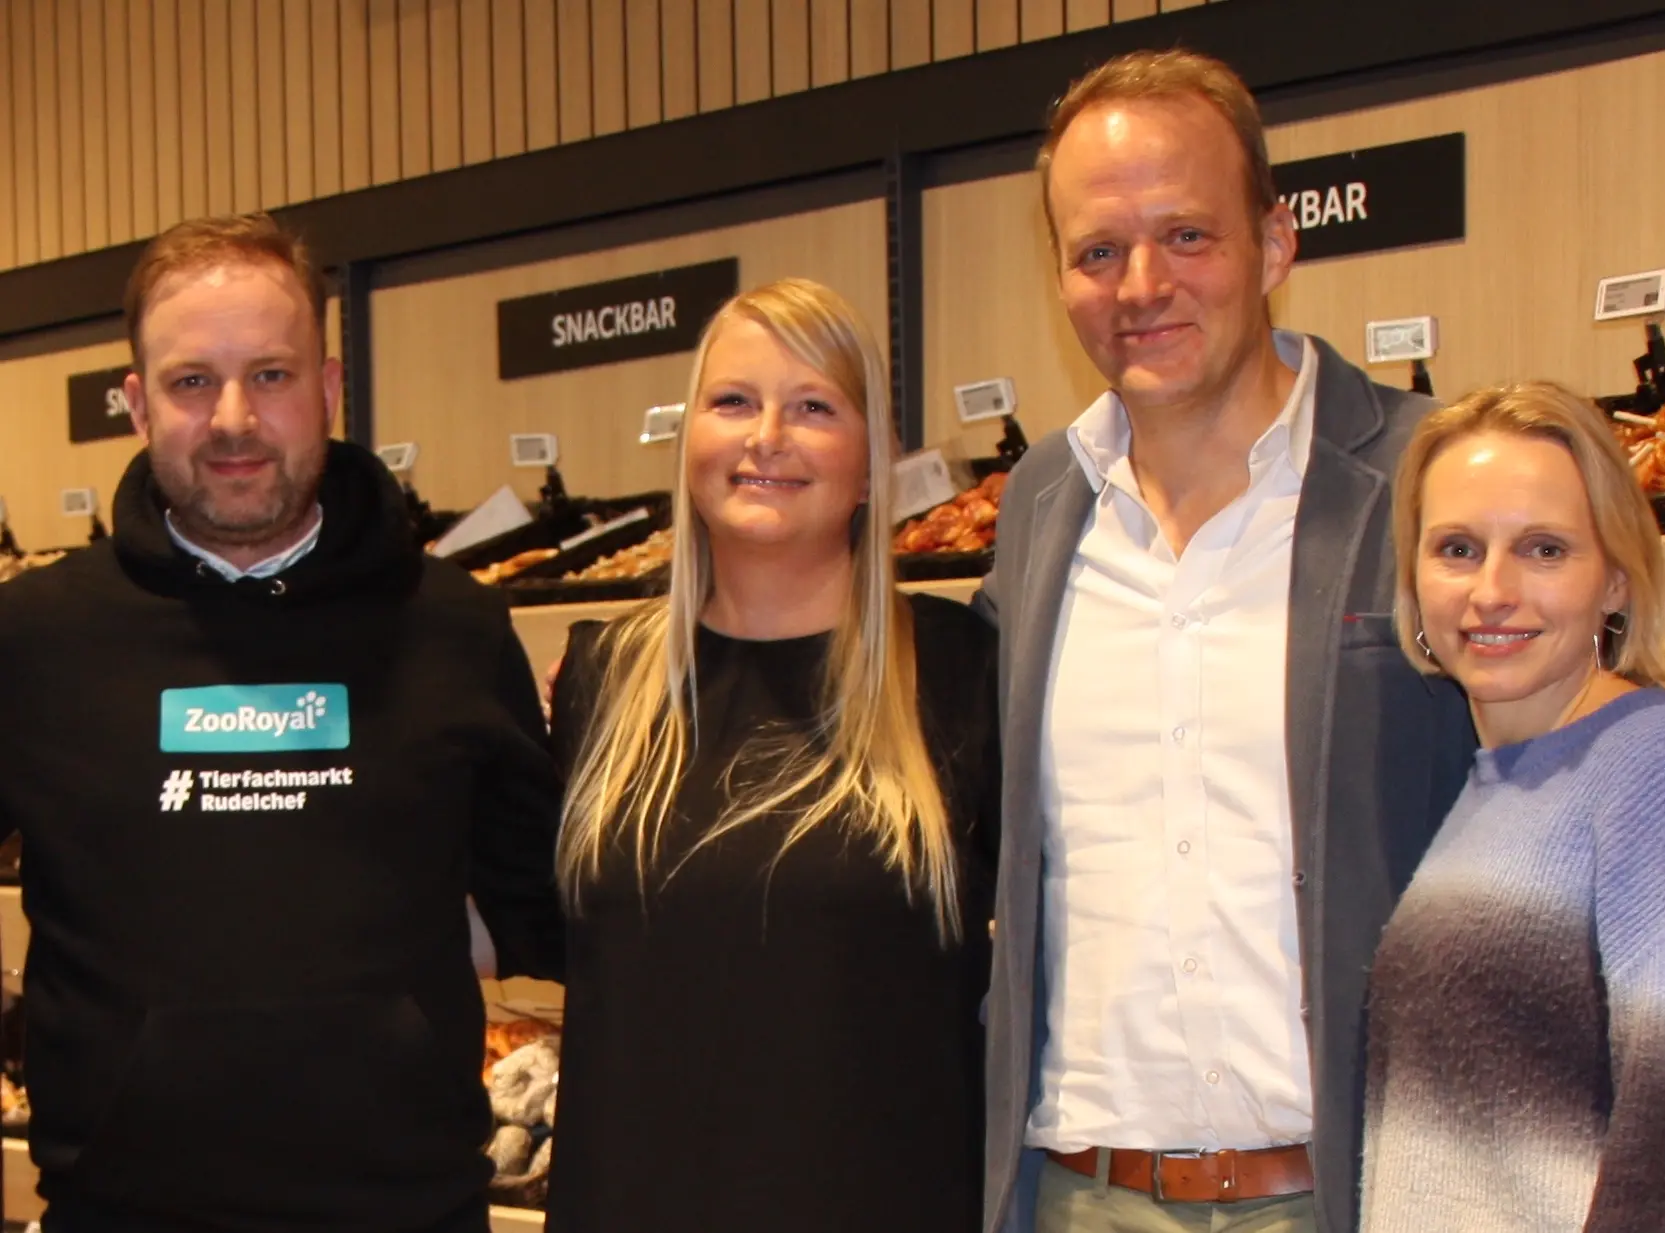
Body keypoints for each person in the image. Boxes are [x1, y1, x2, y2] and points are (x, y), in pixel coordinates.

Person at [977, 48, 1478, 1233]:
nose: (1141, 285)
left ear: (1273, 241)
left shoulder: (1427, 476)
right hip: (1080, 1196)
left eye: (1186, 236)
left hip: (1351, 1193)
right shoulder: (1038, 507)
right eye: (1098, 252)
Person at [0, 213, 564, 1233]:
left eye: (270, 375)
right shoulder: (35, 639)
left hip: (407, 1212)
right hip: (121, 1211)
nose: (233, 418)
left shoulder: (454, 627)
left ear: (329, 390)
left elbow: (542, 901)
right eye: (191, 381)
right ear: (136, 403)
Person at [544, 278, 999, 1233]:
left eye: (814, 407)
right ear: (689, 444)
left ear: (872, 465)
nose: (767, 437)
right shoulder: (600, 683)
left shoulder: (962, 673)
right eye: (733, 401)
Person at [1359, 381, 1665, 1232]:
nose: (1492, 589)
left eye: (1544, 549)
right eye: (1457, 548)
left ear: (1615, 577)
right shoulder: (1498, 786)